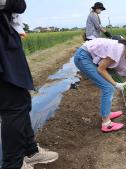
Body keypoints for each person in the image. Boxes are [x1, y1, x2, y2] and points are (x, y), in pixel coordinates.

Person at [0, 0, 58, 168]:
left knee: (21, 100)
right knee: (14, 105)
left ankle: (30, 151)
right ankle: (14, 164)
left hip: (6, 35)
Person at [74, 30, 126, 132]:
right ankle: (106, 123)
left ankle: (106, 113)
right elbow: (101, 68)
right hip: (83, 56)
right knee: (108, 87)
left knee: (108, 86)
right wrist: (115, 83)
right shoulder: (119, 49)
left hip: (89, 57)